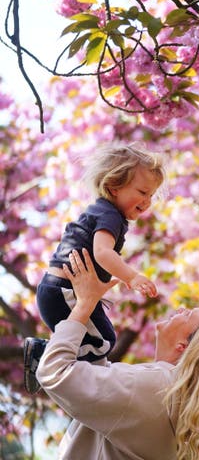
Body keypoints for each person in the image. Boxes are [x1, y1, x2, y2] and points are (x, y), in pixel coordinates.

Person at [36, 248, 199, 460]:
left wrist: (84, 304)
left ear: (185, 345)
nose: (181, 309)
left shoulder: (153, 387)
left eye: (188, 314)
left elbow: (55, 372)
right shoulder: (177, 405)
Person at [24, 143, 165, 394]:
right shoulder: (110, 215)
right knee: (102, 342)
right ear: (113, 186)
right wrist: (132, 277)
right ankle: (46, 355)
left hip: (58, 290)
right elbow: (102, 253)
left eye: (152, 195)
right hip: (65, 291)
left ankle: (55, 361)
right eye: (143, 191)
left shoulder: (105, 212)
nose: (148, 201)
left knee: (101, 340)